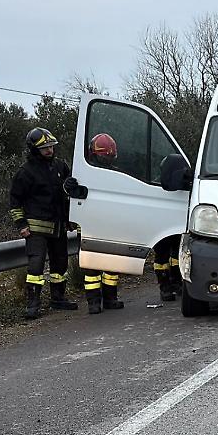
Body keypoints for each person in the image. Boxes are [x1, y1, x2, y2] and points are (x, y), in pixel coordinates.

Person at [9, 127, 79, 319]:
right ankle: (33, 304)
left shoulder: (60, 167)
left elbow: (67, 196)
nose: (49, 150)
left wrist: (70, 215)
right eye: (45, 148)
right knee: (36, 267)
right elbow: (15, 201)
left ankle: (58, 298)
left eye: (51, 146)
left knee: (60, 264)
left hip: (58, 226)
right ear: (34, 149)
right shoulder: (25, 172)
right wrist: (21, 224)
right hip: (36, 229)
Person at [76, 133, 126, 314]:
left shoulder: (110, 173)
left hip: (106, 225)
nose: (107, 160)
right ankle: (95, 302)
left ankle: (107, 300)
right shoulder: (85, 174)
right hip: (94, 225)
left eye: (109, 157)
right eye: (105, 156)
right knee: (93, 268)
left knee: (111, 266)